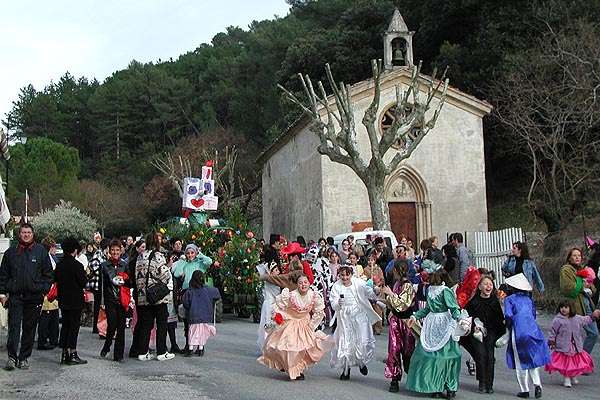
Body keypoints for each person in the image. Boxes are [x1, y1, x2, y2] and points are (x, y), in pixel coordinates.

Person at [0, 223, 53, 371]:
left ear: (33, 234)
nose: (26, 235)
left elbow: (48, 274)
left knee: (30, 329)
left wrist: (43, 291)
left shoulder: (41, 252)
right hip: (16, 296)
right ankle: (11, 357)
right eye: (23, 232)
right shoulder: (11, 252)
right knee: (14, 327)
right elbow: (3, 275)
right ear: (19, 234)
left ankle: (23, 358)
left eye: (29, 232)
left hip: (34, 297)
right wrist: (2, 293)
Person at [406, 260, 461, 399]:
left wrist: (460, 319)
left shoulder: (445, 291)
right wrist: (415, 316)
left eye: (429, 275)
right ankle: (435, 386)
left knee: (447, 356)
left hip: (444, 323)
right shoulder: (430, 290)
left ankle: (450, 386)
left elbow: (453, 308)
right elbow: (427, 309)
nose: (426, 278)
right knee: (430, 356)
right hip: (432, 324)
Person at [258, 275, 330, 381]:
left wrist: (312, 324)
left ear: (309, 283)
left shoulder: (314, 296)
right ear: (297, 284)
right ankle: (288, 367)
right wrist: (277, 316)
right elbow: (277, 306)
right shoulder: (290, 295)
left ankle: (297, 369)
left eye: (305, 282)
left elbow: (319, 311)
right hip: (290, 321)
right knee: (288, 346)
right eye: (300, 282)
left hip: (304, 323)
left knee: (304, 348)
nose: (303, 285)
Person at [504, 273, 551, 399]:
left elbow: (508, 315)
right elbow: (533, 315)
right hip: (533, 330)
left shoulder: (509, 299)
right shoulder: (529, 300)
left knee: (520, 362)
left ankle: (524, 390)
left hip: (518, 331)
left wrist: (508, 326)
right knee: (533, 359)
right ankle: (537, 384)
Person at [329, 266, 380, 380]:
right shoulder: (336, 286)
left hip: (359, 315)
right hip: (345, 317)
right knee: (346, 342)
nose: (345, 277)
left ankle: (361, 362)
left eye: (347, 275)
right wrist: (338, 303)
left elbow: (368, 292)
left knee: (361, 340)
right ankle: (346, 370)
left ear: (351, 275)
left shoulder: (359, 283)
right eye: (342, 275)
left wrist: (375, 290)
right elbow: (333, 302)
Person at [460, 274, 506, 393]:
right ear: (480, 286)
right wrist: (474, 328)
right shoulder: (474, 301)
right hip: (476, 333)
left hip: (491, 332)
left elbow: (500, 321)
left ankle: (489, 384)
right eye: (485, 284)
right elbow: (467, 317)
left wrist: (498, 334)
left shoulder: (495, 302)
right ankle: (482, 382)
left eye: (490, 284)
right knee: (480, 355)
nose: (488, 286)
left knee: (490, 357)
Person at [135, 232, 175, 361]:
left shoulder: (140, 256)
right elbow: (164, 274)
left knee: (146, 325)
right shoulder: (158, 256)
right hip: (157, 296)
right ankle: (161, 352)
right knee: (162, 323)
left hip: (143, 296)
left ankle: (143, 352)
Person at [381, 259, 416, 393]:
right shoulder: (396, 284)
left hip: (406, 322)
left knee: (408, 351)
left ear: (396, 270)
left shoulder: (408, 286)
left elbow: (402, 305)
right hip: (395, 321)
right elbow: (393, 304)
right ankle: (394, 379)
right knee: (394, 350)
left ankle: (412, 375)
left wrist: (390, 295)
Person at [546, 300, 599, 387]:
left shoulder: (577, 318)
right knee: (567, 363)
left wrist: (593, 316)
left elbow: (586, 320)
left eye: (566, 307)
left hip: (575, 346)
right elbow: (553, 331)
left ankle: (573, 375)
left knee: (574, 362)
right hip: (563, 346)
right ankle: (567, 378)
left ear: (571, 308)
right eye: (561, 307)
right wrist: (552, 341)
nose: (563, 309)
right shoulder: (557, 320)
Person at [172, 243, 213, 352]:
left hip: (198, 292)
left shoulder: (200, 263)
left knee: (199, 321)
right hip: (187, 291)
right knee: (187, 320)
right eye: (188, 253)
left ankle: (201, 345)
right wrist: (182, 261)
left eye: (192, 253)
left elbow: (209, 261)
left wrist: (200, 254)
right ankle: (188, 344)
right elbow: (177, 273)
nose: (190, 255)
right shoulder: (185, 263)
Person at [55, 237, 88, 365]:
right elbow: (83, 282)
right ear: (75, 250)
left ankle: (64, 353)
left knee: (65, 325)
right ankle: (72, 352)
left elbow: (56, 279)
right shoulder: (77, 265)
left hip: (63, 299)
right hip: (75, 300)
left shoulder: (59, 265)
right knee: (74, 327)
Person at [560, 247, 597, 354]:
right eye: (574, 255)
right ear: (570, 258)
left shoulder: (582, 269)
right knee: (574, 337)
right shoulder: (566, 270)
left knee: (593, 334)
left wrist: (590, 285)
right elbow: (568, 289)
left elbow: (593, 289)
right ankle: (578, 362)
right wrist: (582, 284)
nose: (577, 257)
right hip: (575, 306)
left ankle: (582, 359)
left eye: (579, 255)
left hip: (587, 306)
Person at [100, 239, 131, 362]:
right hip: (110, 299)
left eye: (117, 250)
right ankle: (107, 345)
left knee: (121, 327)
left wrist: (125, 280)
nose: (115, 252)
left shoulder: (124, 264)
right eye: (113, 249)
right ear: (109, 250)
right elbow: (102, 284)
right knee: (112, 325)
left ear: (121, 251)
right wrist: (102, 301)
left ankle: (119, 355)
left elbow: (130, 283)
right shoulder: (104, 265)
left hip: (122, 299)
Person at [182, 270, 220, 356]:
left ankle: (190, 349)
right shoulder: (208, 290)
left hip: (194, 316)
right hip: (205, 317)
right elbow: (217, 294)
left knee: (192, 333)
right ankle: (200, 349)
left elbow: (185, 303)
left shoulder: (190, 291)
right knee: (202, 333)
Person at [37, 237, 59, 350]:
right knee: (46, 316)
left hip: (53, 289)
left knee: (53, 315)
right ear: (50, 247)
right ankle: (43, 340)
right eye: (54, 247)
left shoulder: (52, 258)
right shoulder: (45, 258)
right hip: (46, 290)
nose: (55, 249)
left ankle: (53, 338)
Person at [88, 238, 109, 336]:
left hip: (100, 284)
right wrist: (102, 270)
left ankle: (99, 326)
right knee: (97, 306)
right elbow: (93, 265)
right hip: (97, 284)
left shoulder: (103, 254)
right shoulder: (99, 254)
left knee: (99, 305)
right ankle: (96, 327)